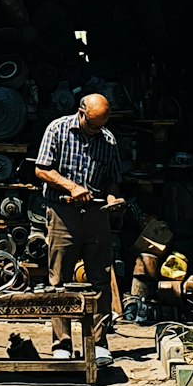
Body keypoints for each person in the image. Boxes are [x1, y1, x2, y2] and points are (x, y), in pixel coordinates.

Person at [34, 93, 122, 367]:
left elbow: (113, 179)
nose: (97, 130)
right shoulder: (57, 129)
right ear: (81, 113)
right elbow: (42, 169)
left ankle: (98, 344)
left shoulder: (108, 140)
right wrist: (71, 186)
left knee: (100, 280)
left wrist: (111, 199)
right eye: (92, 124)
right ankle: (62, 344)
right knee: (58, 280)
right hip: (63, 212)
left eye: (101, 125)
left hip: (95, 214)